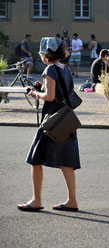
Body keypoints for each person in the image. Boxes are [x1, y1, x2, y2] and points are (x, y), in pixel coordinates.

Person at [18, 37, 80, 212]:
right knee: (67, 161)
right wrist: (43, 89)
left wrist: (36, 93)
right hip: (66, 118)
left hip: (52, 119)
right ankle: (72, 200)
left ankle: (36, 200)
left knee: (35, 157)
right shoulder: (66, 68)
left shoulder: (50, 69)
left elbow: (50, 96)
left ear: (46, 54)